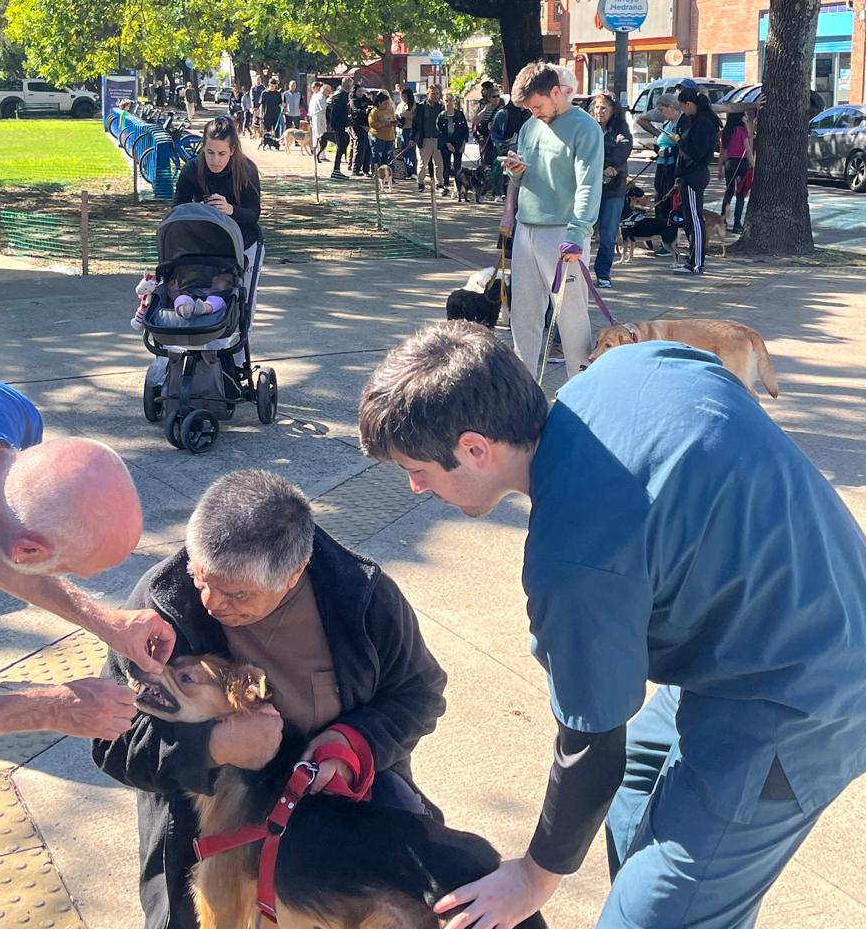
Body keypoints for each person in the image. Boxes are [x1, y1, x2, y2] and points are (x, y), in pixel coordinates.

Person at [358, 321, 866, 929]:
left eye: (417, 469)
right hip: (769, 620)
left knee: (651, 916)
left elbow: (590, 745)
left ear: (474, 448)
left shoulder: (572, 560)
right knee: (631, 808)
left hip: (803, 695)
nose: (415, 488)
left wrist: (532, 877)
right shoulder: (634, 366)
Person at [92, 468, 446, 929]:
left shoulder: (361, 597)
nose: (212, 603)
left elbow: (419, 693)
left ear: (294, 573)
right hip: (205, 830)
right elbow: (111, 742)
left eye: (238, 594)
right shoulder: (163, 602)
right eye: (202, 578)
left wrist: (353, 743)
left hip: (335, 828)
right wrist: (212, 747)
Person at [0, 368, 176, 745]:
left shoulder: (14, 415)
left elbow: (8, 535)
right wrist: (52, 708)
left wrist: (108, 623)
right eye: (72, 568)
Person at [500, 61, 603, 379]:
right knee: (523, 314)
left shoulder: (585, 127)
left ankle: (582, 391)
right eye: (529, 108)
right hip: (526, 228)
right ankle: (524, 390)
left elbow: (588, 182)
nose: (534, 112)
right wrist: (514, 172)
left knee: (571, 318)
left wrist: (578, 231)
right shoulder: (529, 127)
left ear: (556, 92)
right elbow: (528, 174)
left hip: (564, 232)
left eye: (537, 105)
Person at [172, 116, 263, 311]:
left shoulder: (246, 170)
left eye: (222, 153)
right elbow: (177, 210)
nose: (215, 160)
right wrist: (201, 211)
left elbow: (254, 214)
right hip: (207, 244)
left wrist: (230, 210)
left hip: (244, 242)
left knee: (242, 301)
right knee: (211, 294)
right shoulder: (192, 169)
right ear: (203, 147)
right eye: (210, 152)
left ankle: (240, 335)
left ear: (232, 150)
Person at [674, 89, 720, 276]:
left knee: (695, 217)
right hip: (688, 174)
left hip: (695, 173)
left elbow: (698, 151)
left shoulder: (703, 122)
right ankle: (692, 259)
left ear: (689, 104)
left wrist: (680, 141)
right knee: (690, 219)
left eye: (683, 107)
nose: (683, 111)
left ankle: (697, 262)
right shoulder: (697, 120)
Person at [590, 94, 633, 288]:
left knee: (608, 234)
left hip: (613, 189)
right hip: (588, 186)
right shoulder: (587, 127)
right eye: (597, 107)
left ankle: (603, 273)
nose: (600, 111)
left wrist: (610, 165)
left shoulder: (620, 129)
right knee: (581, 231)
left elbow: (623, 147)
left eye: (604, 107)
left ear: (613, 110)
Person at [720, 111, 753, 233]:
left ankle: (722, 220)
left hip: (729, 163)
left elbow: (722, 152)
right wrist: (753, 165)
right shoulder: (741, 130)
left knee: (728, 192)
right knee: (740, 194)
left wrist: (720, 169)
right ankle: (737, 223)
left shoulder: (726, 132)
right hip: (741, 163)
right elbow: (747, 148)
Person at [412, 84, 444, 192]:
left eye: (437, 94)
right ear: (427, 94)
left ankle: (439, 183)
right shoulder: (420, 107)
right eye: (433, 93)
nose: (435, 96)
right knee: (422, 163)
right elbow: (415, 124)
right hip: (425, 139)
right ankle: (421, 183)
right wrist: (413, 138)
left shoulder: (440, 107)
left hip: (438, 139)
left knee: (439, 163)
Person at [438, 93, 469, 192]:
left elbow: (465, 130)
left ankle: (459, 187)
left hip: (458, 143)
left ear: (453, 101)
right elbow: (439, 132)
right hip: (446, 144)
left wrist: (464, 144)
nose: (448, 103)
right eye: (446, 101)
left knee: (457, 166)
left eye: (450, 100)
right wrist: (447, 143)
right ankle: (446, 186)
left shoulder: (459, 114)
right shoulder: (441, 116)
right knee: (446, 165)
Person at [326, 77, 352, 179]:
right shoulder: (340, 95)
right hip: (338, 124)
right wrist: (343, 122)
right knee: (341, 145)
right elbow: (337, 111)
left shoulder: (340, 94)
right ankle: (336, 170)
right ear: (348, 85)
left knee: (344, 143)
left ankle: (337, 169)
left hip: (339, 124)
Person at [367, 91, 397, 172]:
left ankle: (388, 174)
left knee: (387, 157)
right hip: (378, 137)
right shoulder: (374, 111)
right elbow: (372, 124)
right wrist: (384, 124)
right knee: (377, 156)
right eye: (384, 104)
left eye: (388, 103)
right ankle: (376, 173)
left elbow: (393, 119)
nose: (386, 106)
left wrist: (394, 123)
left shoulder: (390, 110)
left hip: (389, 137)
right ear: (379, 103)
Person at [349, 81, 373, 175]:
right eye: (359, 91)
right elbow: (356, 111)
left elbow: (373, 105)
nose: (360, 93)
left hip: (368, 126)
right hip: (358, 126)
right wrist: (366, 110)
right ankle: (356, 169)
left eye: (361, 91)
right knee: (360, 147)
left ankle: (366, 169)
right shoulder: (354, 100)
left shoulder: (365, 99)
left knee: (368, 148)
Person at [396, 87, 418, 176]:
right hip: (401, 130)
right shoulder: (401, 105)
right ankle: (406, 170)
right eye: (402, 96)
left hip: (410, 129)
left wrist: (405, 115)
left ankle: (412, 171)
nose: (403, 98)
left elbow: (415, 117)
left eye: (405, 96)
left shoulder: (414, 105)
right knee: (403, 151)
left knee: (410, 150)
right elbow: (396, 114)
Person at [308, 81, 328, 162]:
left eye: (314, 87)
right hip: (315, 117)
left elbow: (323, 108)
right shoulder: (315, 96)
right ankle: (317, 152)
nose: (312, 89)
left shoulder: (320, 96)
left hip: (319, 117)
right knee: (317, 135)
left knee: (321, 135)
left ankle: (321, 153)